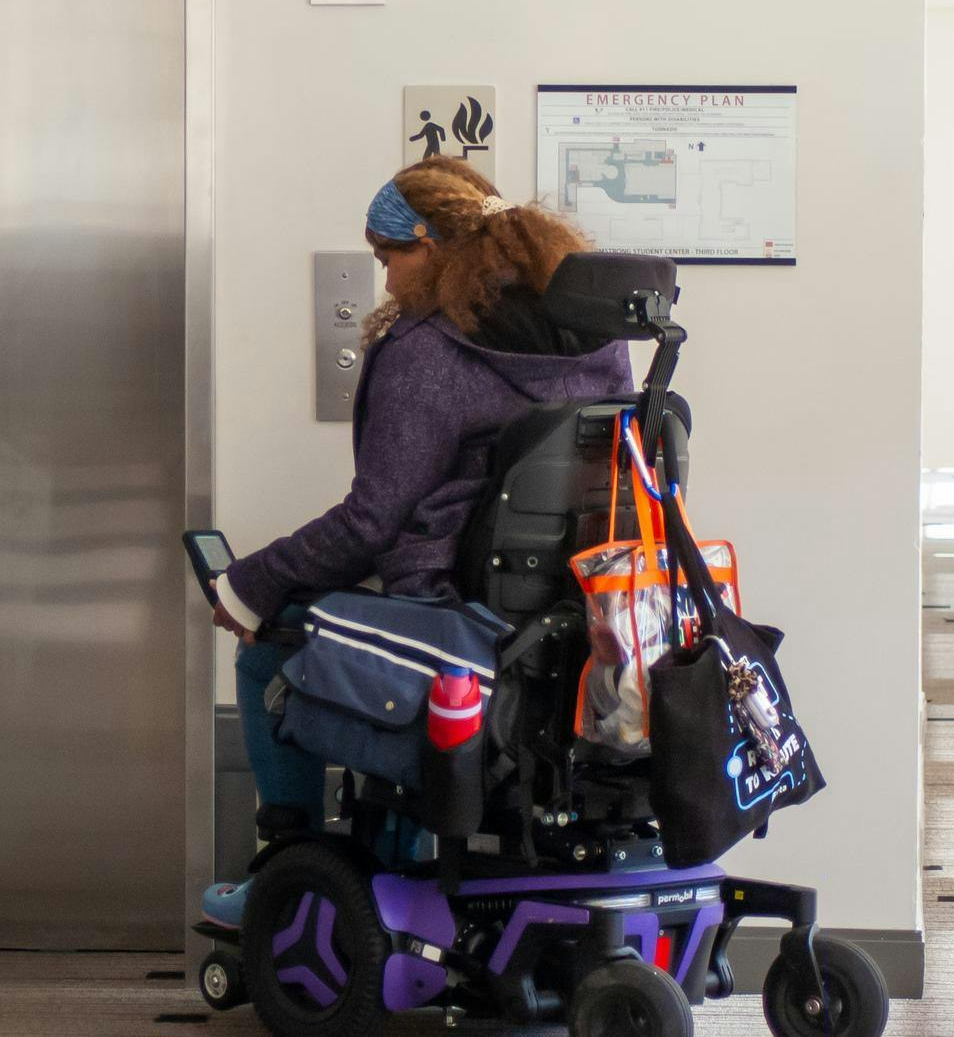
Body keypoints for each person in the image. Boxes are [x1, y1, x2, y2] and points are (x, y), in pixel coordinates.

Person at [200, 157, 633, 927]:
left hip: (452, 615)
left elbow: (372, 522)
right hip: (572, 616)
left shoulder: (428, 353)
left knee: (268, 641)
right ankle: (395, 862)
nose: (387, 282)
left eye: (389, 257)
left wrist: (248, 586)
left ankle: (283, 874)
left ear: (431, 244)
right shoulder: (597, 347)